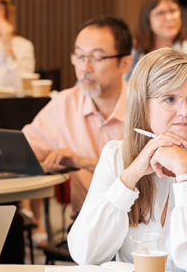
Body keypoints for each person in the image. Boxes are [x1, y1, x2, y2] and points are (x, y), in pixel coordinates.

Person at [68, 48, 187, 272]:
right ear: (142, 105)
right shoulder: (116, 156)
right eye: (170, 99)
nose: (185, 111)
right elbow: (84, 254)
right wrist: (129, 178)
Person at [23, 16, 134, 215]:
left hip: (141, 226)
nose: (85, 68)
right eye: (80, 57)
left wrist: (82, 162)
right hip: (86, 227)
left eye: (97, 58)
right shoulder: (65, 103)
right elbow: (24, 150)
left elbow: (149, 175)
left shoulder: (146, 107)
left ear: (125, 64)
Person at [129, 0, 187, 96]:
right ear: (146, 19)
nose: (169, 18)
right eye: (160, 13)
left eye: (173, 11)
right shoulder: (133, 50)